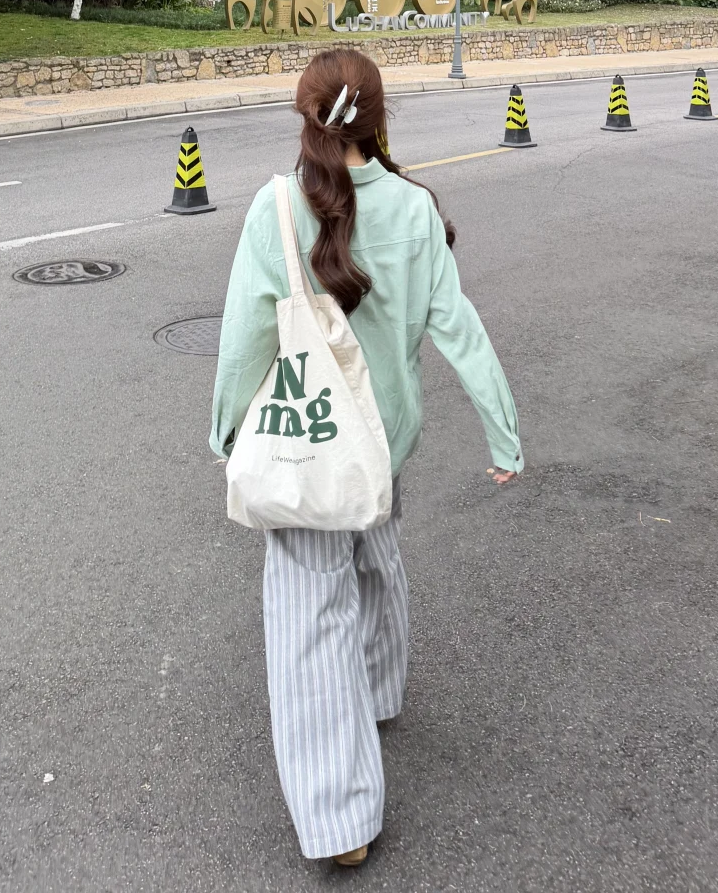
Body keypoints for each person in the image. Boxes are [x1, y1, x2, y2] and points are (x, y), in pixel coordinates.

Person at [210, 47, 522, 869]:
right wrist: (503, 433)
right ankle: (378, 692)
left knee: (310, 614)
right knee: (375, 553)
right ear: (379, 120)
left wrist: (226, 430)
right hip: (383, 442)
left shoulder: (277, 207)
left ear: (305, 116)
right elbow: (458, 327)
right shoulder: (416, 208)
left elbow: (244, 340)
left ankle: (342, 819)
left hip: (310, 442)